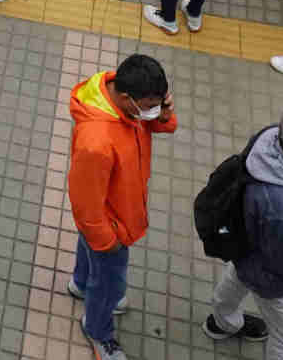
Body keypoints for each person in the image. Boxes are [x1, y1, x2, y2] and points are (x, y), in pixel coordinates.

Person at [66, 53, 177, 360]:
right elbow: (85, 206)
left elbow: (152, 127)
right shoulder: (96, 142)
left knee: (88, 250)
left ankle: (79, 283)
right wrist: (107, 241)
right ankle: (98, 330)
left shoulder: (121, 100)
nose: (153, 111)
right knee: (110, 285)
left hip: (112, 212)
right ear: (128, 99)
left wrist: (162, 116)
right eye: (149, 106)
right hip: (111, 226)